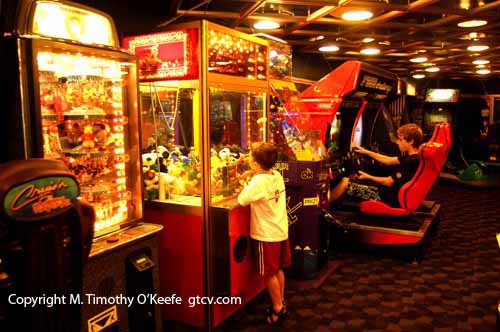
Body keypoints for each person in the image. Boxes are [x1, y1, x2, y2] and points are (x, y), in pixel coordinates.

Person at [237, 142, 290, 325]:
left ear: (255, 163)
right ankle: (281, 301)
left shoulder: (258, 182)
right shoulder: (276, 175)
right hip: (280, 230)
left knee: (269, 273)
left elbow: (242, 199)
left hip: (266, 234)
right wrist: (253, 175)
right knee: (278, 269)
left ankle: (277, 308)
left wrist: (248, 180)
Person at [329, 123, 424, 207]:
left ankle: (321, 206)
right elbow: (388, 160)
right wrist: (365, 151)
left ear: (411, 141)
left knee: (345, 182)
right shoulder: (415, 156)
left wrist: (368, 177)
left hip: (390, 198)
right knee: (352, 179)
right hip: (394, 193)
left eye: (400, 139)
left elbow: (388, 182)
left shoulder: (410, 161)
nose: (398, 142)